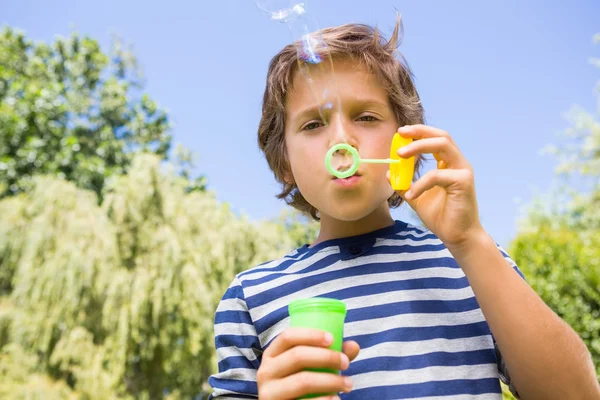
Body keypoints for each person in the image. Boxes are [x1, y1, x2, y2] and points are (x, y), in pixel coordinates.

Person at [208, 17, 600, 400]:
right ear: (284, 162)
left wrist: (469, 240)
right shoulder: (250, 297)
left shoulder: (474, 264)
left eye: (366, 117)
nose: (341, 139)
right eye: (313, 125)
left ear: (405, 146)